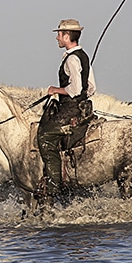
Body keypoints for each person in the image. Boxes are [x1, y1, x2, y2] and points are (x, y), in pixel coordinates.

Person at [36, 19, 96, 204]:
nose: (57, 38)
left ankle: (54, 186)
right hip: (81, 107)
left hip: (71, 111)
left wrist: (56, 90)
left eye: (59, 34)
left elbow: (76, 89)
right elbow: (91, 87)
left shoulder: (72, 58)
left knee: (45, 136)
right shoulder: (83, 56)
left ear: (67, 36)